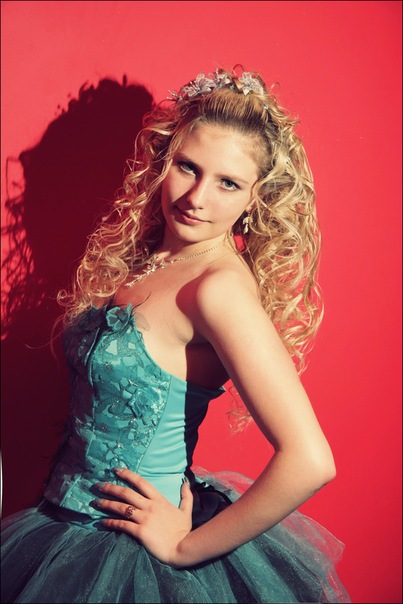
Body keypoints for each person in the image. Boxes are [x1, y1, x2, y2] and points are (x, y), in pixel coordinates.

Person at [1, 67, 351, 603]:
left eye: (228, 183)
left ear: (256, 199)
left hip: (122, 558)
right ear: (165, 160)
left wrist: (185, 549)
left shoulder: (218, 289)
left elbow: (310, 460)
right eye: (188, 167)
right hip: (56, 529)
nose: (196, 197)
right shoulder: (152, 257)